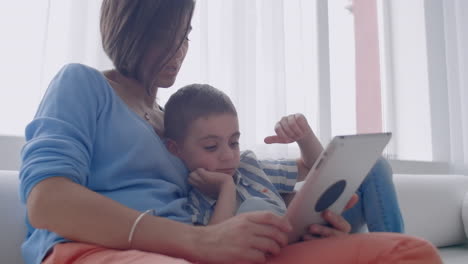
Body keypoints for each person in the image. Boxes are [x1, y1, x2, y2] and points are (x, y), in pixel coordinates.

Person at [19, 1, 442, 264]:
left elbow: (243, 187)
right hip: (99, 249)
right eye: (164, 39)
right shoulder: (83, 83)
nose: (177, 53)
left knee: (408, 253)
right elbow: (46, 201)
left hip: (208, 249)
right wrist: (198, 242)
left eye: (183, 37)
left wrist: (297, 225)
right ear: (128, 29)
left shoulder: (174, 122)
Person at [163, 83, 402, 235]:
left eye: (234, 142)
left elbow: (312, 168)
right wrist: (226, 189)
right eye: (211, 146)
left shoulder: (248, 166)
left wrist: (304, 136)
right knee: (255, 208)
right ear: (176, 149)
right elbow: (211, 246)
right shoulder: (190, 201)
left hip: (315, 231)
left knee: (376, 165)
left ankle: (395, 250)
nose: (228, 155)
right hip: (283, 252)